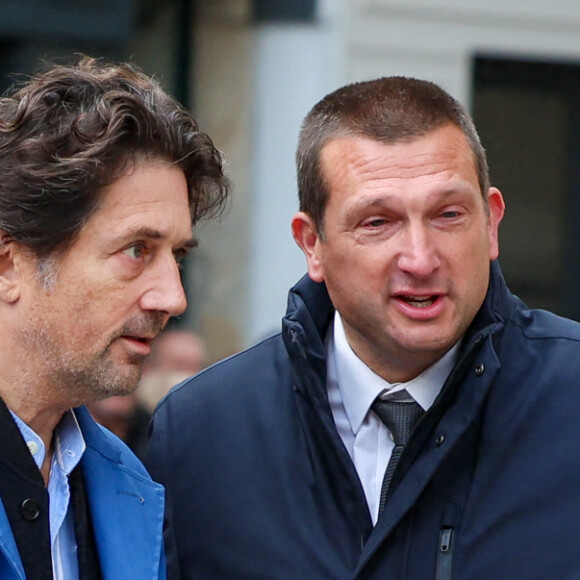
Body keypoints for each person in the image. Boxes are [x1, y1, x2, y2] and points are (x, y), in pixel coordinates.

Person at [145, 75, 580, 579]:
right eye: (378, 222)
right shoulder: (203, 435)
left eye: (448, 214)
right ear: (312, 244)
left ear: (491, 224)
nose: (420, 258)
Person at [0, 55, 228, 580]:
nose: (173, 298)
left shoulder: (131, 488)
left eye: (179, 256)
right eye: (136, 250)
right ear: (9, 264)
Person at [89, 329, 208, 458]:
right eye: (178, 365)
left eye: (194, 368)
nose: (185, 377)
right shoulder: (73, 436)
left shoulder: (157, 436)